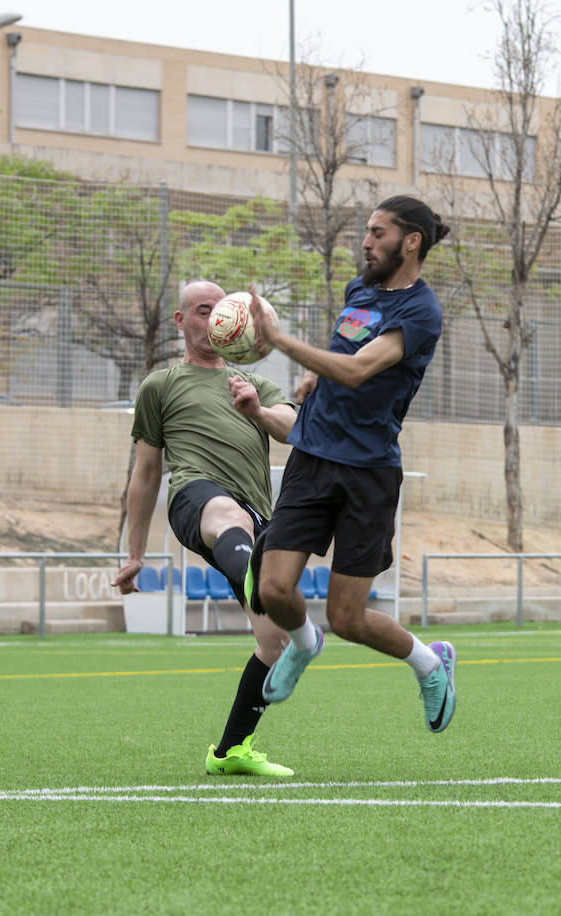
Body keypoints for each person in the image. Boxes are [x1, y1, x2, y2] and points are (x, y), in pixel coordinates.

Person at [242, 195, 458, 734]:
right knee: (271, 591)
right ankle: (302, 642)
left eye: (379, 233)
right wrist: (315, 378)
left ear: (412, 242)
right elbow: (345, 348)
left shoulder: (421, 311)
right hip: (313, 457)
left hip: (368, 473)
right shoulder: (358, 290)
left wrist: (278, 341)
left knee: (348, 618)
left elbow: (360, 369)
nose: (366, 242)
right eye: (366, 231)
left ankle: (430, 665)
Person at [113, 279, 299, 777]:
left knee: (275, 640)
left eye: (222, 309)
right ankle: (257, 577)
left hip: (256, 516)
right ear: (181, 321)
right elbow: (146, 474)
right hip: (196, 499)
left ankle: (231, 751)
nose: (214, 319)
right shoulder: (161, 385)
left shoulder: (253, 384)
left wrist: (256, 409)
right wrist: (135, 554)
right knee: (227, 515)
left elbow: (292, 428)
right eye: (202, 310)